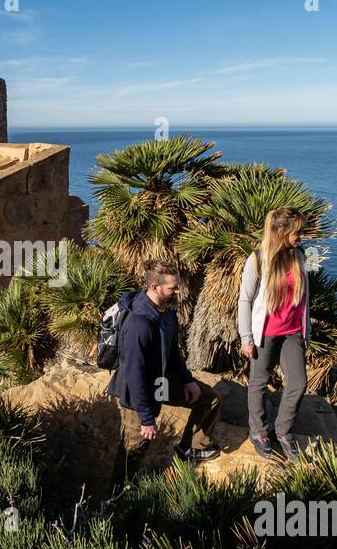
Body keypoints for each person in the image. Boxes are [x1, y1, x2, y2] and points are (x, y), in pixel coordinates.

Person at [107, 259, 222, 486]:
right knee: (135, 447)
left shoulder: (166, 313)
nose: (178, 290)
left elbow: (173, 352)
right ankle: (117, 499)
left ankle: (191, 448)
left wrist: (188, 381)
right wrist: (147, 418)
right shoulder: (139, 322)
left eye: (177, 285)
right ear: (154, 287)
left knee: (209, 399)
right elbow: (134, 373)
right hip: (136, 391)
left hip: (161, 380)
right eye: (172, 287)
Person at [237, 207, 312, 458]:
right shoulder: (257, 259)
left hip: (293, 332)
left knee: (299, 383)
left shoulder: (299, 255)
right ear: (282, 231)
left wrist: (306, 331)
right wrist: (246, 338)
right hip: (265, 333)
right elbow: (245, 300)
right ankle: (258, 431)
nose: (301, 236)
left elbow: (304, 298)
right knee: (259, 383)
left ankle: (283, 431)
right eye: (297, 231)